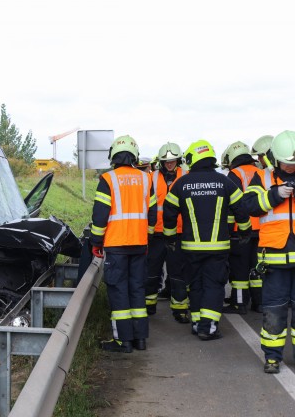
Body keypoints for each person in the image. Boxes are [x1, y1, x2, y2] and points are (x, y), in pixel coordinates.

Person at [163, 140, 251, 340]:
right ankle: (208, 327)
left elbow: (169, 212)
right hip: (218, 247)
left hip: (190, 247)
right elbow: (241, 209)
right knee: (213, 285)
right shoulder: (225, 181)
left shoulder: (182, 183)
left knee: (195, 284)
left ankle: (196, 323)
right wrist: (245, 231)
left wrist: (169, 237)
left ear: (192, 158)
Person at [90, 135, 157, 353]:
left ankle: (123, 341)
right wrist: (146, 237)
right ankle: (140, 339)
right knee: (137, 289)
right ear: (134, 156)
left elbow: (100, 216)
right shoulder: (146, 179)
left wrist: (96, 242)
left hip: (116, 245)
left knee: (119, 291)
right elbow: (153, 215)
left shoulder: (108, 179)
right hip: (139, 245)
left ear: (113, 156)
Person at [243, 130, 295, 374]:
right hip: (275, 262)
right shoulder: (261, 178)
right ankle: (272, 357)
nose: (290, 167)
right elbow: (250, 206)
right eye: (286, 163)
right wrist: (275, 195)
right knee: (274, 312)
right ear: (276, 159)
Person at [144, 142, 190, 323]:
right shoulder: (151, 177)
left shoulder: (186, 175)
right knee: (152, 271)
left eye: (172, 161)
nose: (169, 164)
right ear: (161, 161)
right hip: (156, 232)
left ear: (178, 160)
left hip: (178, 232)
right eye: (166, 161)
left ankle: (179, 310)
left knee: (177, 273)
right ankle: (149, 305)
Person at [220, 141, 262, 314]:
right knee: (256, 268)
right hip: (261, 229)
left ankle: (239, 303)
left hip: (241, 230)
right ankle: (259, 302)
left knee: (239, 270)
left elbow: (232, 206)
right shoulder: (261, 172)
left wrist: (228, 230)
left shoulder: (234, 174)